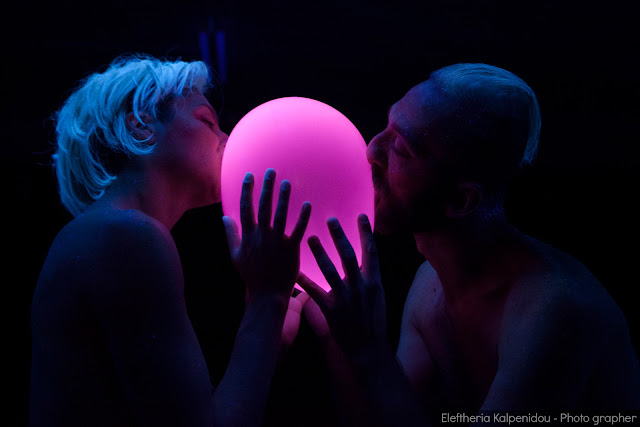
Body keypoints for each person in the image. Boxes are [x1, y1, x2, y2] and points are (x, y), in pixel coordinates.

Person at [296, 63, 640, 425]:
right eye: (386, 126)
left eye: (401, 147)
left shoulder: (555, 310)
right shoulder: (430, 285)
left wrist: (368, 349)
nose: (371, 149)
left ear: (461, 201)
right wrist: (338, 337)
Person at [30, 53, 311, 426]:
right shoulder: (125, 236)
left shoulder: (110, 231)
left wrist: (271, 327)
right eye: (207, 122)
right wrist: (267, 300)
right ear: (140, 127)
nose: (228, 140)